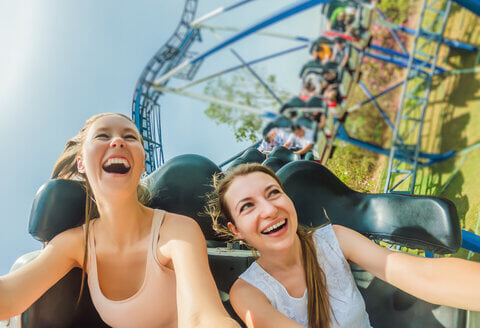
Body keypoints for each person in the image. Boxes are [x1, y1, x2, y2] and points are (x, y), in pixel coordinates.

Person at [0, 113, 239, 328]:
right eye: (103, 135)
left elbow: (203, 317)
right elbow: (9, 296)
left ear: (143, 162)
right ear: (81, 162)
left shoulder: (176, 230)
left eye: (130, 137)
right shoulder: (74, 243)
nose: (118, 142)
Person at [206, 163, 480, 328]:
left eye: (273, 193)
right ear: (236, 230)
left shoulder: (334, 238)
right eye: (248, 206)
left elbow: (421, 274)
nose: (269, 210)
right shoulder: (247, 293)